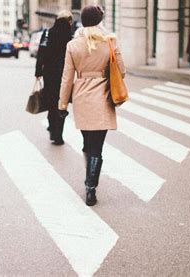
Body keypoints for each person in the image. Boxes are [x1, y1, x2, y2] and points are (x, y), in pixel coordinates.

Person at [58, 5, 125, 206]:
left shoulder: (73, 45)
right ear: (99, 21)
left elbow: (67, 77)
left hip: (82, 98)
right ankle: (91, 187)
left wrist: (62, 104)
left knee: (88, 144)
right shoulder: (110, 42)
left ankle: (90, 179)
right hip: (103, 97)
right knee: (97, 146)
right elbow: (121, 70)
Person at [35, 11, 74, 145]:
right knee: (62, 104)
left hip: (49, 74)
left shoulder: (47, 33)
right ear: (68, 21)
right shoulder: (70, 36)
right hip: (65, 75)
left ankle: (52, 128)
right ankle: (58, 135)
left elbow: (41, 52)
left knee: (51, 102)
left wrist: (38, 71)